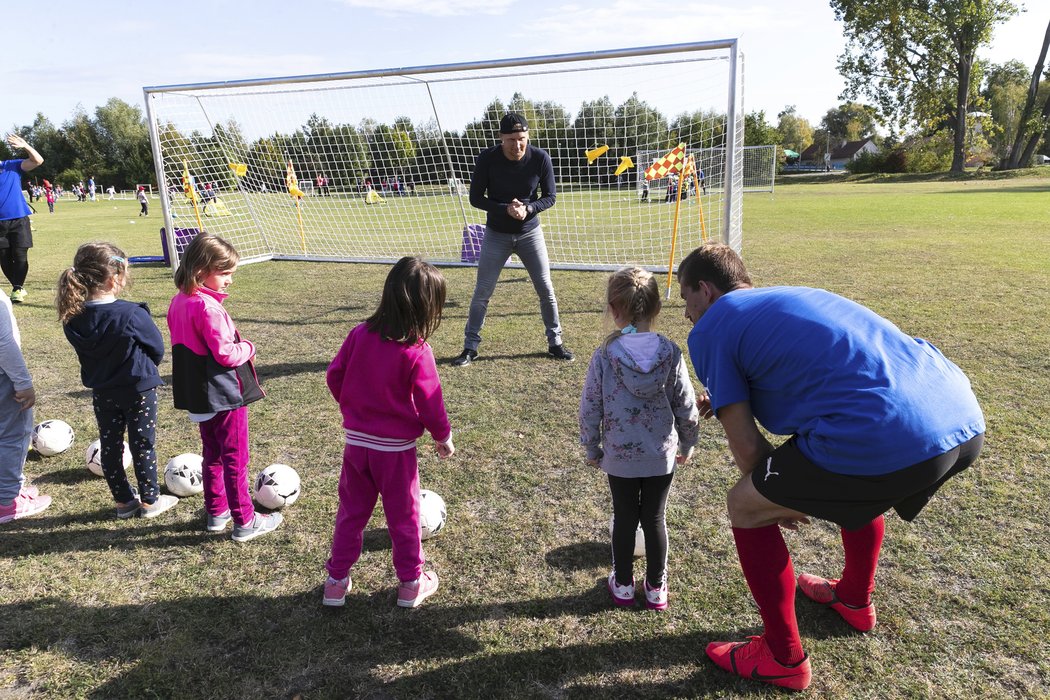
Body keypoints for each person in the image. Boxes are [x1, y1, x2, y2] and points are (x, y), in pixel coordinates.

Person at [677, 243, 985, 691]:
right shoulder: (794, 296)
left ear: (705, 290)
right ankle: (855, 600)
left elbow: (745, 449)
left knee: (745, 504)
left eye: (686, 300)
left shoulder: (711, 327)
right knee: (855, 468)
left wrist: (775, 500)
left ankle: (782, 657)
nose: (686, 314)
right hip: (960, 417)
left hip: (890, 433)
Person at [323, 256, 455, 608]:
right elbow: (431, 401)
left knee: (351, 513)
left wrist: (354, 409)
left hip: (356, 446)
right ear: (428, 308)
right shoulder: (416, 351)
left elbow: (334, 376)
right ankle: (411, 583)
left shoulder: (359, 334)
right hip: (395, 452)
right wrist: (442, 436)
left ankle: (336, 582)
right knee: (404, 517)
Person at [579, 267, 699, 611]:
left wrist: (592, 445)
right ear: (656, 307)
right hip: (661, 455)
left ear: (615, 309)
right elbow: (686, 405)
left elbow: (591, 404)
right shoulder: (671, 352)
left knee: (625, 518)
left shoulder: (605, 354)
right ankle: (657, 587)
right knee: (655, 519)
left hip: (618, 456)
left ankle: (624, 585)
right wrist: (688, 442)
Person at [167, 234, 282, 542]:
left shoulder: (178, 301)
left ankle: (216, 512)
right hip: (224, 394)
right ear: (202, 270)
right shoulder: (208, 308)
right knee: (235, 457)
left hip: (197, 394)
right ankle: (245, 521)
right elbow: (226, 354)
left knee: (213, 454)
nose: (230, 280)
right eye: (225, 272)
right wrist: (249, 347)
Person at [58, 243, 178, 519]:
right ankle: (149, 501)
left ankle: (124, 501)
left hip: (103, 391)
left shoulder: (72, 317)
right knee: (142, 444)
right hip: (139, 389)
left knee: (110, 445)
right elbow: (156, 347)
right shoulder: (132, 314)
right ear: (114, 279)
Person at [451, 112, 573, 366]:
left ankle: (555, 343)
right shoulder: (487, 159)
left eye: (522, 139)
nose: (517, 145)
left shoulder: (540, 158)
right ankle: (469, 348)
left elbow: (550, 196)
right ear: (500, 138)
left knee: (546, 289)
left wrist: (528, 209)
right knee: (482, 292)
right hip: (496, 233)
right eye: (511, 139)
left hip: (530, 233)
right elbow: (476, 198)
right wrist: (505, 208)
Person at [0, 287, 52, 524]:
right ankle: (8, 502)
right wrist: (23, 383)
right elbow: (4, 343)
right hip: (4, 378)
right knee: (13, 434)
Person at [0, 135, 43, 303]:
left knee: (20, 255)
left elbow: (38, 160)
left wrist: (25, 145)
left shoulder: (12, 166)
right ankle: (17, 286)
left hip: (18, 219)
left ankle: (17, 288)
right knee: (3, 257)